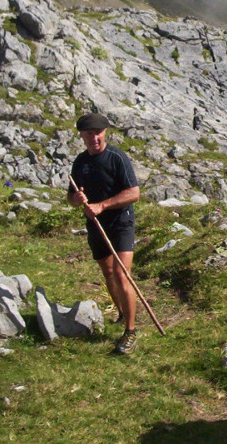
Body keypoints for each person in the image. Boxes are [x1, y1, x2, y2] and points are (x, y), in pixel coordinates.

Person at [67, 112, 141, 355]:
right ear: (82, 136)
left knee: (121, 274)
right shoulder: (80, 163)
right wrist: (76, 200)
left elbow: (134, 193)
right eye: (89, 134)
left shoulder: (117, 158)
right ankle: (121, 311)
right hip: (96, 225)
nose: (95, 137)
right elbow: (71, 198)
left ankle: (130, 331)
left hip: (121, 221)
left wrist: (103, 205)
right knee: (108, 272)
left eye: (98, 133)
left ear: (105, 133)